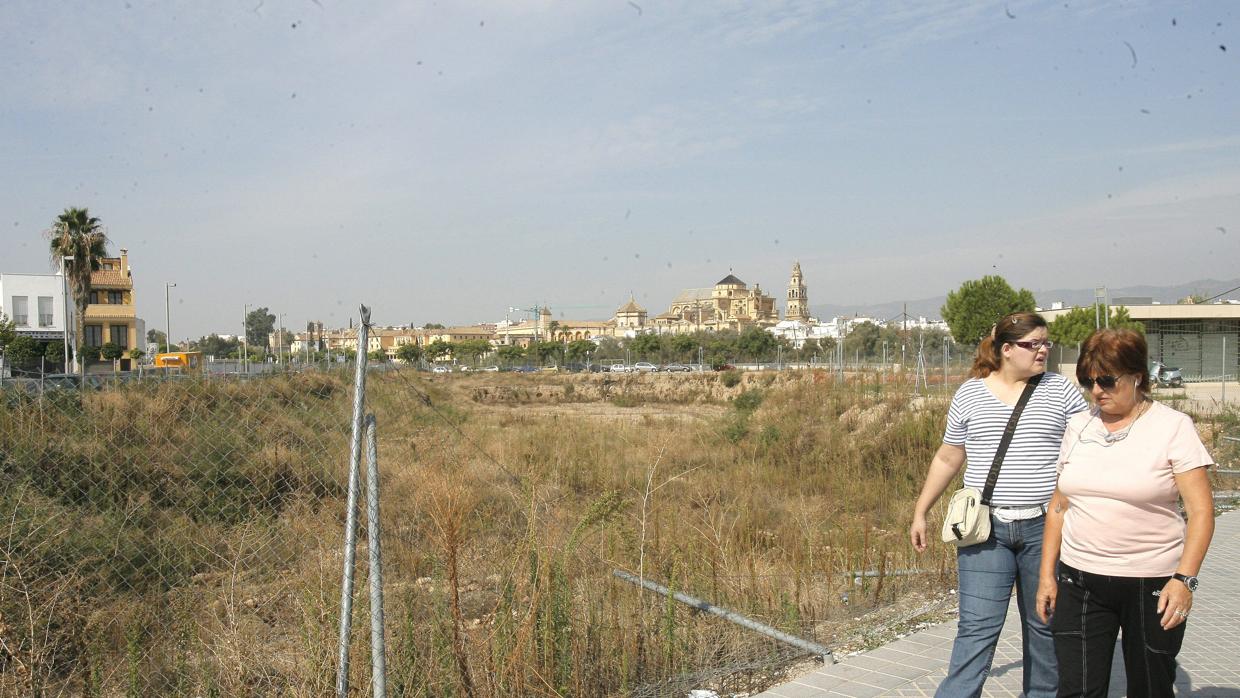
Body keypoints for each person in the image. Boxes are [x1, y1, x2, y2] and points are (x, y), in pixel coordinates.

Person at [911, 311, 1088, 698]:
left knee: (1045, 626)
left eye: (1046, 343)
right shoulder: (971, 393)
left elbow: (1088, 452)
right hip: (984, 530)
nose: (1043, 350)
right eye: (1033, 344)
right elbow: (948, 457)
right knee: (976, 628)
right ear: (1007, 350)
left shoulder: (1061, 392)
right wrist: (921, 510)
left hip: (1047, 528)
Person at [1036, 329, 1214, 697]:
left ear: (1137, 376)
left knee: (1150, 687)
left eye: (1106, 380)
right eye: (1088, 381)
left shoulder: (1173, 427)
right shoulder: (1078, 426)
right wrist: (1046, 577)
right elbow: (1059, 505)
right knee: (1077, 689)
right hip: (1080, 581)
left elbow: (1200, 512)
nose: (1096, 391)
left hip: (1153, 584)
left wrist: (1185, 581)